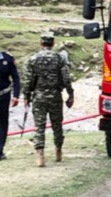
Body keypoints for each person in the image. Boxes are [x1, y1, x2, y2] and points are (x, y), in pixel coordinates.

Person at [23, 33, 74, 167]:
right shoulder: (60, 58)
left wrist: (26, 97)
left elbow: (28, 80)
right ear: (53, 43)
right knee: (57, 125)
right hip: (55, 96)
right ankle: (58, 151)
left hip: (39, 97)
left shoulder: (33, 59)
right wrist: (70, 94)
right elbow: (66, 78)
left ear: (41, 43)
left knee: (39, 127)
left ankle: (40, 156)